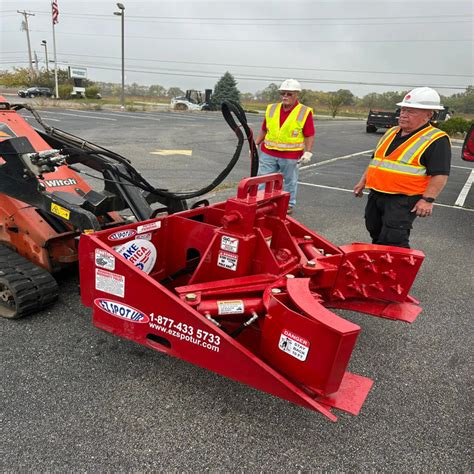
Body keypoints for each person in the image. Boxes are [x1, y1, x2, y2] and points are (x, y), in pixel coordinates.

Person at [353, 87, 451, 248]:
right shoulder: (391, 132)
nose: (403, 114)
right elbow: (376, 160)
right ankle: (380, 262)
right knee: (374, 229)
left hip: (403, 199)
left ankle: (398, 269)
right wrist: (362, 181)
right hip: (377, 193)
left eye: (411, 111)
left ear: (428, 115)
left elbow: (440, 174)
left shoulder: (436, 139)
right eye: (403, 109)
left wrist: (427, 200)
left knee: (393, 237)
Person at [254, 79, 315, 213]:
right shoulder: (272, 108)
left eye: (289, 94)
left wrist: (308, 152)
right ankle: (261, 202)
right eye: (283, 93)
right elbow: (264, 129)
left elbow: (309, 134)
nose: (285, 96)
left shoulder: (304, 112)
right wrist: (256, 143)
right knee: (262, 179)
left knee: (289, 181)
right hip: (269, 152)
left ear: (296, 94)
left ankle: (288, 204)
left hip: (290, 155)